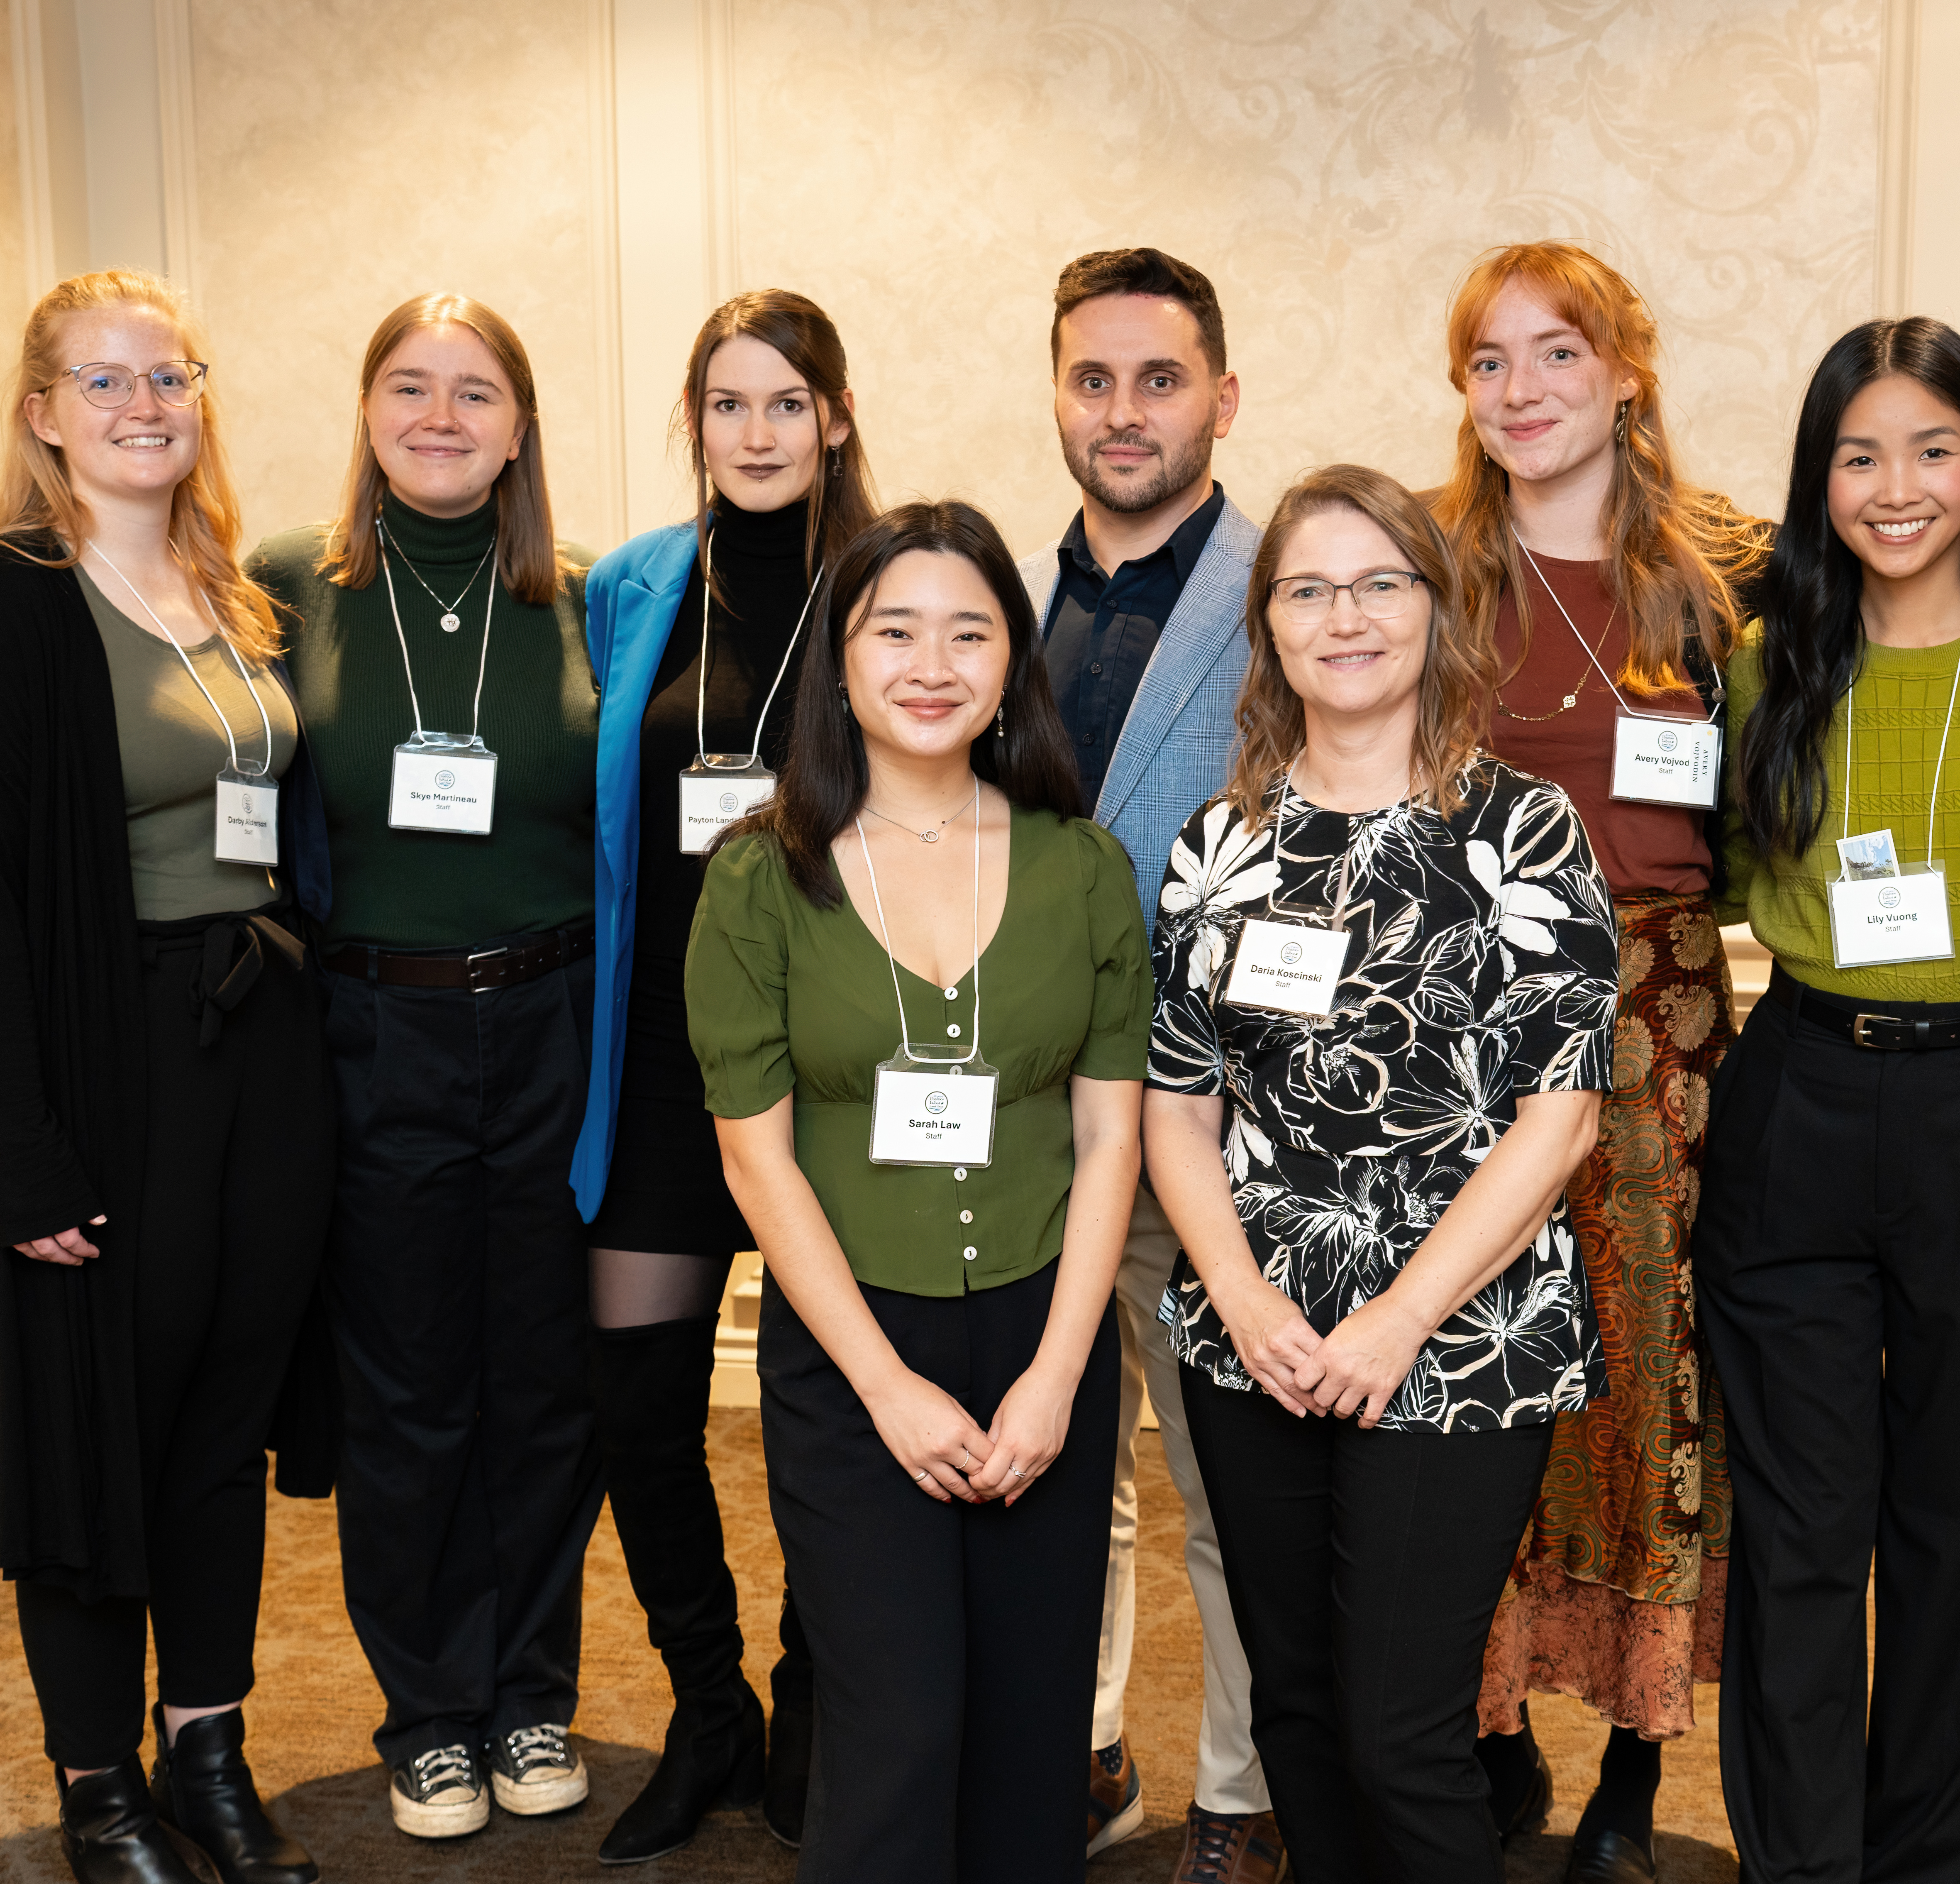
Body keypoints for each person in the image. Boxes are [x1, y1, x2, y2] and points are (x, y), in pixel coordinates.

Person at [0, 269, 332, 1884]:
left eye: (170, 377)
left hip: (258, 1045)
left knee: (223, 1412)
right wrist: (20, 1162)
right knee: (101, 1424)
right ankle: (100, 1790)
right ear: (40, 415)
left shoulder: (229, 591)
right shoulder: (2, 608)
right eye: (104, 383)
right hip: (105, 1064)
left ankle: (206, 1746)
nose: (145, 406)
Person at [1145, 463, 1619, 1884]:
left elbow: (1560, 1120)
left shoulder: (1519, 831)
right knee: (1291, 1707)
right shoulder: (1217, 845)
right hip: (1258, 1343)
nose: (1343, 616)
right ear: (1269, 625)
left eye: (1377, 583)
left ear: (1435, 605)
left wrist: (1395, 1319)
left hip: (1459, 1337)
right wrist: (1241, 1302)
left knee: (1399, 1725)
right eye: (1307, 589)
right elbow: (1177, 1109)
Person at [1695, 318, 1960, 1884]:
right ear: (1818, 479)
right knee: (1800, 1540)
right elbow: (1730, 874)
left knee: (1959, 1538)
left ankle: (1914, 1862)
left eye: (1932, 449)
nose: (1896, 487)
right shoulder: (1765, 662)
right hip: (1799, 1102)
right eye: (1857, 454)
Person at [690, 500, 1149, 1884]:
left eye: (970, 630)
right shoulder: (759, 876)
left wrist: (1061, 1378)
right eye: (895, 630)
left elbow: (1112, 1140)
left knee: (1031, 1733)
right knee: (895, 1727)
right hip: (849, 1354)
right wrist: (887, 1388)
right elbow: (753, 1155)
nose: (932, 661)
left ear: (1013, 663)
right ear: (840, 659)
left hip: (1043, 1337)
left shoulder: (1083, 865)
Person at [1432, 239, 1767, 1884]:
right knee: (1470, 1371)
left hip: (1657, 1038)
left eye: (1553, 354)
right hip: (1468, 1030)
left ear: (1625, 369)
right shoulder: (1426, 572)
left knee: (1644, 1385)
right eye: (1487, 364)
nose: (1521, 393)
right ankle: (1483, 1739)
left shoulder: (1724, 575)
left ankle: (1636, 1761)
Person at [251, 294, 602, 1840]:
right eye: (411, 386)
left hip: (558, 1026)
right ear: (368, 409)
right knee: (405, 1389)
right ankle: (432, 1715)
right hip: (371, 1030)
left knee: (544, 1381)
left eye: (477, 392)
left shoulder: (595, 598)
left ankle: (531, 1695)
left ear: (521, 425)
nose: (442, 416)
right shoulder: (282, 588)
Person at [568, 288, 876, 1862]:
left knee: (829, 1413)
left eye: (784, 403)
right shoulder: (630, 588)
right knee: (640, 1407)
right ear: (693, 421)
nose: (753, 434)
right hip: (660, 1068)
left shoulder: (888, 589)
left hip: (831, 1081)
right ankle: (708, 1708)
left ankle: (815, 1704)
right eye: (723, 404)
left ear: (834, 416)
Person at [1009, 247, 1285, 1882]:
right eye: (1092, 379)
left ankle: (1242, 1794)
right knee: (1058, 1462)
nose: (1122, 413)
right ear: (1057, 393)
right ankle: (1085, 1747)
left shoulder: (1281, 588)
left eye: (1157, 379)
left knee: (1223, 1480)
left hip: (1212, 1121)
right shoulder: (1003, 593)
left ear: (1221, 398)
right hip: (1031, 1120)